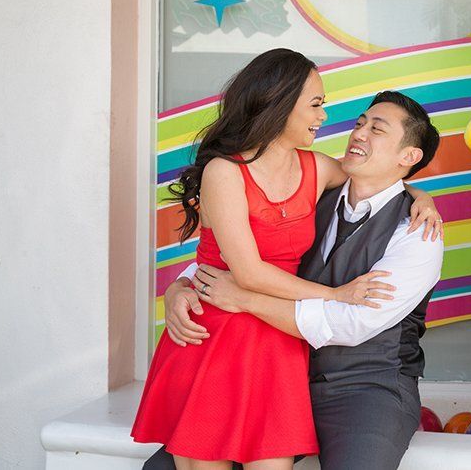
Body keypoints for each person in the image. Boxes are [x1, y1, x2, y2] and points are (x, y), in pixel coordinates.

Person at [132, 50, 442, 470]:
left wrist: (420, 196)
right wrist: (181, 286)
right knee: (165, 466)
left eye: (377, 128)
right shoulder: (319, 189)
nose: (355, 131)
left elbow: (349, 323)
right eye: (359, 122)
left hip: (363, 389)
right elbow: (240, 253)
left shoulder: (417, 232)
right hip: (263, 357)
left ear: (408, 158)